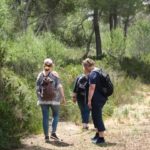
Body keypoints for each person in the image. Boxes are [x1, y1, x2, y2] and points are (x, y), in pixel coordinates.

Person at [36, 58, 66, 142]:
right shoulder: (55, 74)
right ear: (52, 65)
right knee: (55, 115)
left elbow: (37, 88)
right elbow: (59, 86)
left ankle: (46, 137)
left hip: (43, 100)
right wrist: (63, 97)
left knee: (45, 117)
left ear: (44, 65)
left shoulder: (40, 75)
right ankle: (53, 133)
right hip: (55, 99)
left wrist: (40, 97)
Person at [82, 58, 107, 144]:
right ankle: (97, 134)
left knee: (97, 117)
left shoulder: (93, 74)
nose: (84, 69)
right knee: (95, 116)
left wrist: (89, 100)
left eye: (84, 67)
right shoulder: (98, 71)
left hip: (96, 99)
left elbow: (92, 87)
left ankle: (101, 138)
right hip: (101, 97)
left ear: (87, 66)